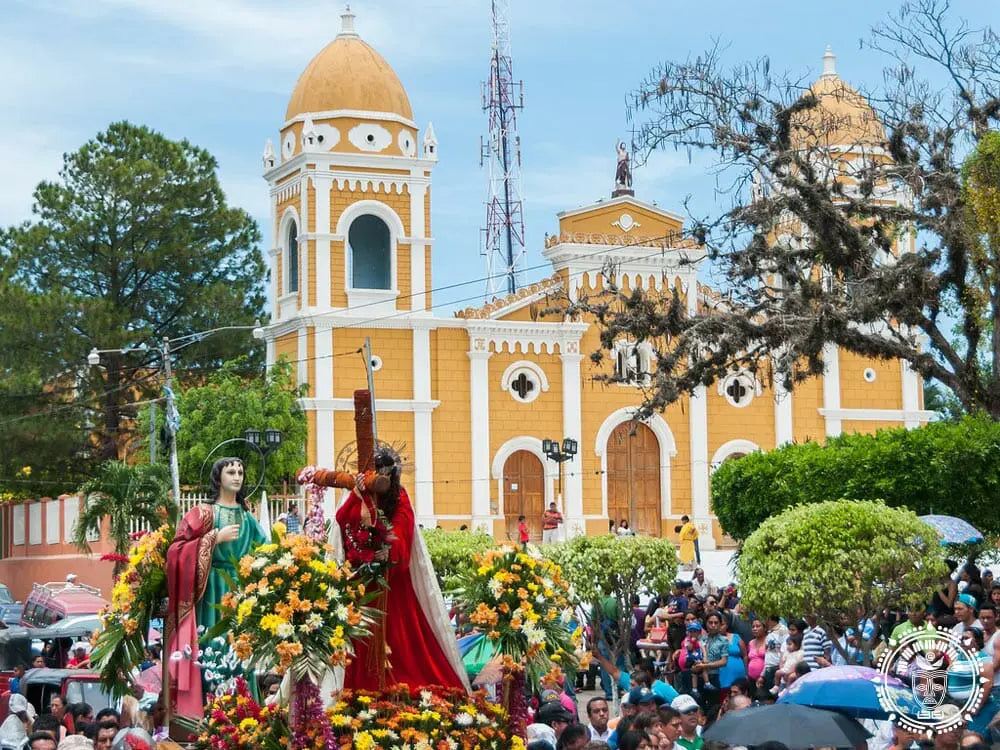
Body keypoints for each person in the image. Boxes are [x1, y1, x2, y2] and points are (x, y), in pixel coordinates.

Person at [336, 446, 469, 691]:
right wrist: (356, 493)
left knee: (401, 642)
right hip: (361, 582)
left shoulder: (400, 497)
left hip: (392, 584)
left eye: (384, 476)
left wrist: (389, 550)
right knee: (360, 639)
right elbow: (342, 519)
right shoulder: (359, 494)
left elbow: (402, 524)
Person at [165, 457, 268, 717]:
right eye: (230, 471)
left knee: (239, 652)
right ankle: (209, 709)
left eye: (241, 471)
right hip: (209, 589)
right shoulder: (203, 512)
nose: (237, 476)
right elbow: (175, 550)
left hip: (239, 593)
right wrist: (213, 538)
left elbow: (267, 552)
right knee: (211, 648)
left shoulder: (248, 517)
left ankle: (242, 711)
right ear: (218, 477)